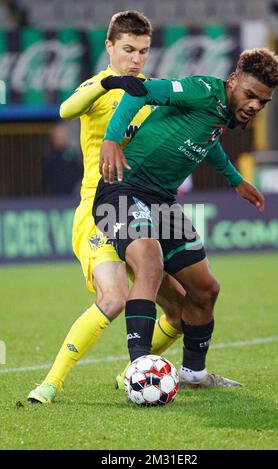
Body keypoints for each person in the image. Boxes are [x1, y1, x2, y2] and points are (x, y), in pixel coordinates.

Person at [94, 48, 278, 387]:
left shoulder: (222, 114)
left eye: (264, 101)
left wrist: (235, 180)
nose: (256, 105)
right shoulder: (202, 90)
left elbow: (207, 141)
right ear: (233, 81)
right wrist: (111, 138)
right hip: (122, 190)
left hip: (163, 201)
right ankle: (140, 371)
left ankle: (194, 374)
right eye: (251, 95)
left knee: (205, 289)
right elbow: (141, 90)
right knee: (150, 261)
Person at [27, 10, 186, 404]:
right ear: (109, 46)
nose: (136, 58)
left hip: (140, 211)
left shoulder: (151, 91)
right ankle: (50, 384)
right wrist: (108, 81)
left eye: (143, 51)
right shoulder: (97, 86)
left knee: (183, 310)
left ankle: (131, 375)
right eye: (128, 49)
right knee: (113, 298)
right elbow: (66, 110)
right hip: (99, 212)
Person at [42, 124, 82, 196]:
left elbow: (78, 171)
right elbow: (45, 175)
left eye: (63, 137)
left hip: (71, 193)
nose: (61, 139)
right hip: (53, 195)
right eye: (59, 137)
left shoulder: (71, 154)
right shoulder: (49, 156)